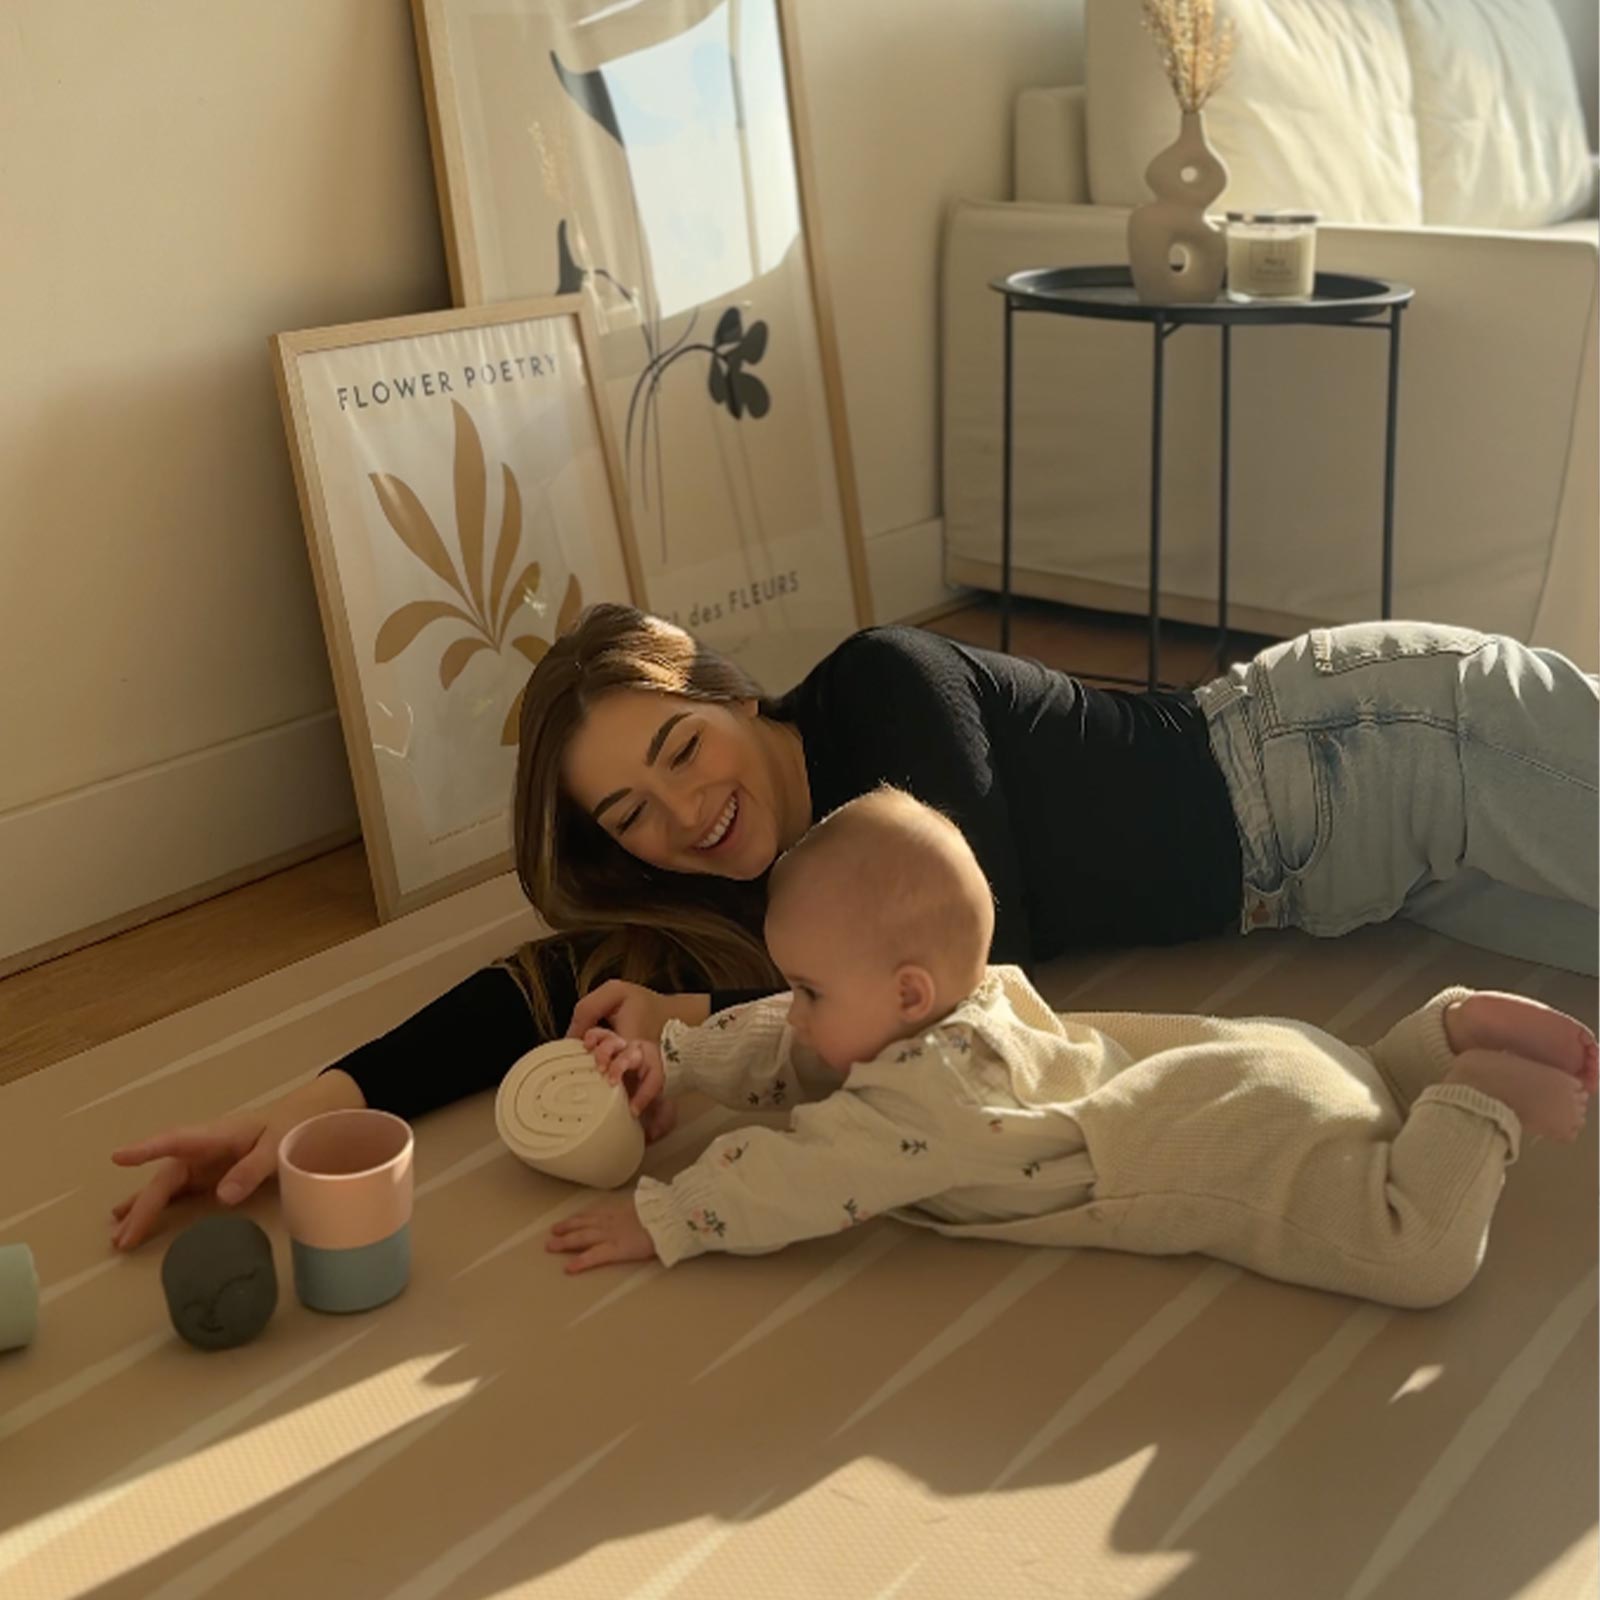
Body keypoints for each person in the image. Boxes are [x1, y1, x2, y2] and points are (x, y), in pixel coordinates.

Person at [108, 606, 1598, 1250]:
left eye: (679, 750)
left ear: (735, 696)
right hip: (1353, 885)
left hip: (1365, 737)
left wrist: (695, 1030)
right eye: (626, 815)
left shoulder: (882, 693)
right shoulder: (754, 899)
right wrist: (304, 1108)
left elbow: (960, 944)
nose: (678, 816)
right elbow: (524, 988)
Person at [547, 790, 1594, 1307]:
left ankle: (1477, 1090)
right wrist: (680, 1066)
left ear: (906, 994)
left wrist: (672, 1214)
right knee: (1367, 1085)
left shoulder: (927, 1106)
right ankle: (1426, 1039)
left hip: (1241, 1135)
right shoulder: (962, 1007)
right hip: (1279, 1051)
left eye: (812, 986)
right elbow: (794, 1046)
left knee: (1414, 1249)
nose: (794, 1007)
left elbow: (805, 1171)